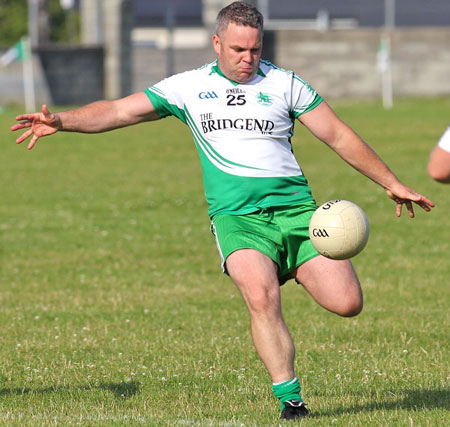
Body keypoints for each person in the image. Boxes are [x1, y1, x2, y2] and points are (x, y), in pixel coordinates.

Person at [11, 1, 434, 421]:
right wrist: (62, 121)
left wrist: (391, 183)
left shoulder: (286, 84)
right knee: (260, 296)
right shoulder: (188, 88)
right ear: (217, 43)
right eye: (237, 50)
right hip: (239, 220)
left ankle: (287, 264)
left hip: (298, 215)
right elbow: (120, 110)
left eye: (254, 49)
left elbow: (339, 136)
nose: (248, 59)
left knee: (348, 303)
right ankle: (292, 401)